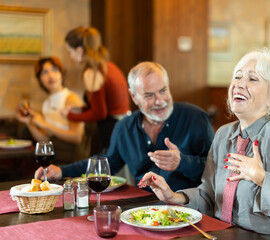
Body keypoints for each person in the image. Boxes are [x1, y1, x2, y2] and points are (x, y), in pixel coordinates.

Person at [138, 50, 270, 237]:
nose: (239, 84)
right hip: (224, 234)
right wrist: (173, 196)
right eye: (237, 77)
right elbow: (210, 196)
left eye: (252, 79)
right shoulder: (223, 134)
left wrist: (261, 177)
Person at [35, 62, 215, 191]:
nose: (160, 101)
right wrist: (61, 171)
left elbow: (215, 171)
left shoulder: (195, 118)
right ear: (134, 97)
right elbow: (106, 163)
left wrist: (181, 162)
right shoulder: (124, 127)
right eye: (149, 95)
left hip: (188, 209)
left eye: (163, 91)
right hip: (140, 211)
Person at [62, 26, 130, 151]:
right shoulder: (109, 66)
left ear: (79, 50)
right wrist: (80, 109)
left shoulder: (92, 72)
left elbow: (99, 113)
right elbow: (103, 106)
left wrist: (70, 116)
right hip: (123, 126)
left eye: (69, 52)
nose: (70, 56)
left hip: (111, 130)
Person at [16, 57, 89, 165]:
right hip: (53, 160)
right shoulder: (47, 103)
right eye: (45, 72)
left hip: (71, 161)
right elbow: (45, 140)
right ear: (39, 78)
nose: (51, 76)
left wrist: (45, 124)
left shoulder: (70, 99)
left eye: (55, 70)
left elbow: (77, 137)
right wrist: (28, 123)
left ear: (62, 74)